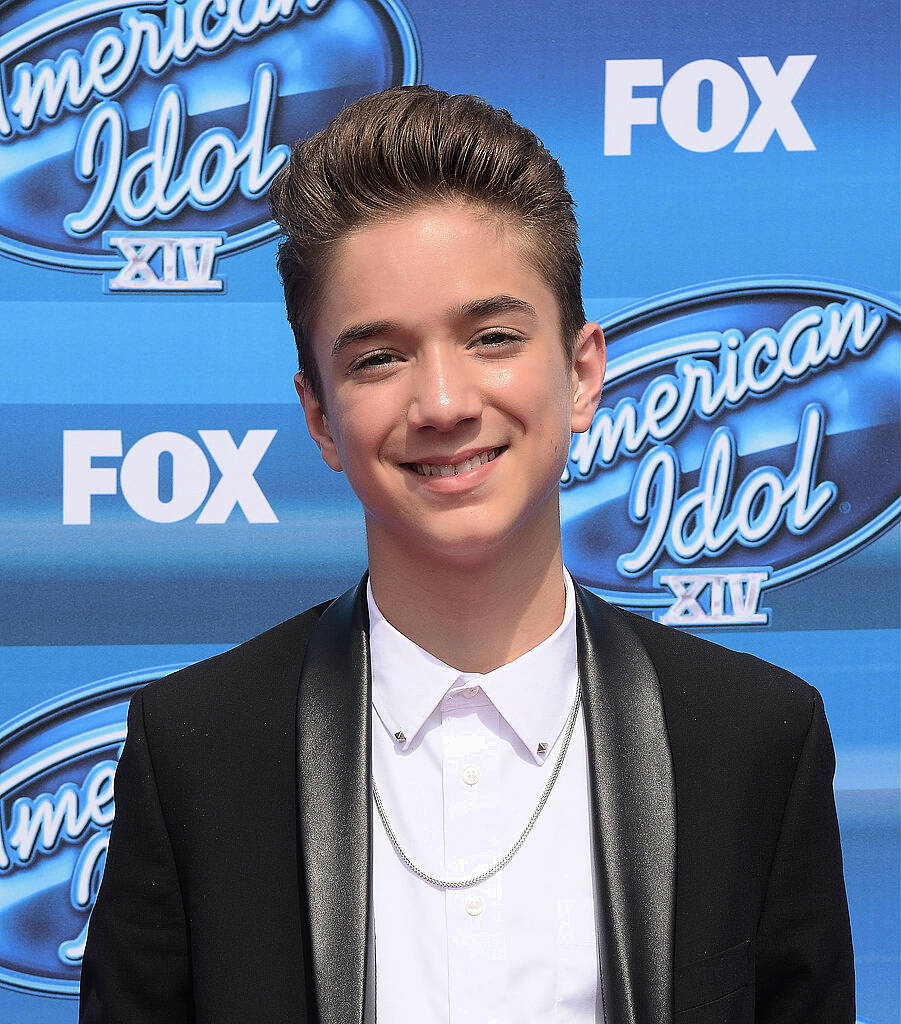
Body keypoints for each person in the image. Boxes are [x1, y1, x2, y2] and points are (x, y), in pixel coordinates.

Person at [79, 85, 855, 1024]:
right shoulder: (197, 753)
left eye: (490, 337)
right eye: (378, 357)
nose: (442, 401)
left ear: (579, 373)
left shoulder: (752, 740)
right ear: (320, 415)